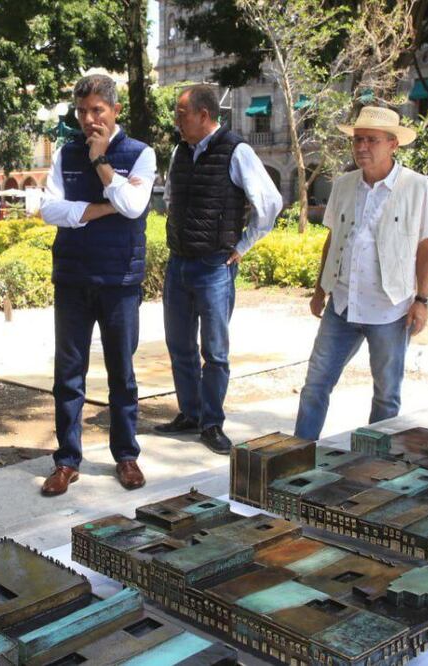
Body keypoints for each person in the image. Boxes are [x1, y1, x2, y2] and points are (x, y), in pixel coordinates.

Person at [38, 74, 156, 496]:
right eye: (83, 111)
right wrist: (104, 208)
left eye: (98, 111)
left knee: (121, 374)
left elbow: (134, 205)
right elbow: (49, 209)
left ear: (115, 111)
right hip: (72, 278)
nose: (89, 120)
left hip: (119, 280)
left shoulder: (140, 154)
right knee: (68, 375)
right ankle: (67, 460)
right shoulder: (65, 154)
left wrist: (103, 161)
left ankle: (126, 456)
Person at [293, 106, 428, 442]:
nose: (362, 147)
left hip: (390, 308)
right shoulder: (344, 185)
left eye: (371, 140)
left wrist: (422, 300)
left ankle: (372, 464)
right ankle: (298, 453)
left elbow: (427, 247)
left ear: (393, 145)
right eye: (358, 140)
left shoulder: (417, 188)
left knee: (386, 393)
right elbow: (333, 240)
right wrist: (320, 289)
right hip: (343, 304)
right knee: (316, 383)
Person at [153, 84, 282, 454]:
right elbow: (171, 197)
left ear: (204, 115)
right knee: (179, 344)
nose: (176, 121)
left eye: (182, 114)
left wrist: (241, 246)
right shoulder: (180, 151)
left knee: (215, 350)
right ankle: (190, 414)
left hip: (213, 265)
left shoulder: (237, 150)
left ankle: (212, 422)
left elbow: (270, 203)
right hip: (179, 262)